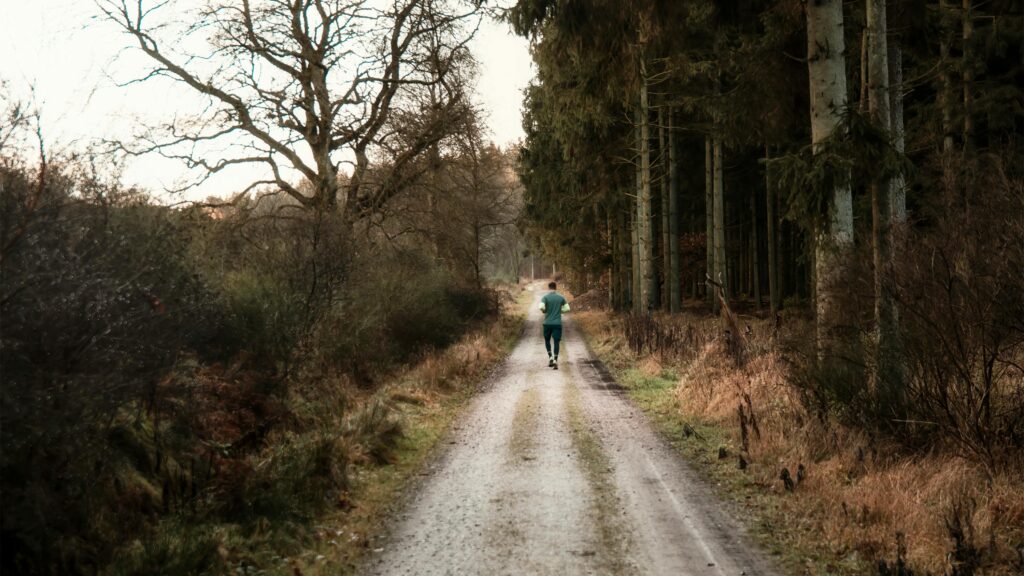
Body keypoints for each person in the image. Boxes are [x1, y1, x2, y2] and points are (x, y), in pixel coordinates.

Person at [538, 281, 570, 369]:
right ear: (556, 288)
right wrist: (560, 311)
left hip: (547, 323)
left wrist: (544, 311)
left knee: (547, 340)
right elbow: (567, 308)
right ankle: (555, 360)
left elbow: (541, 307)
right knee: (556, 341)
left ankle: (550, 357)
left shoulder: (545, 297)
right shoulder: (561, 297)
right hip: (557, 323)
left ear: (549, 288)